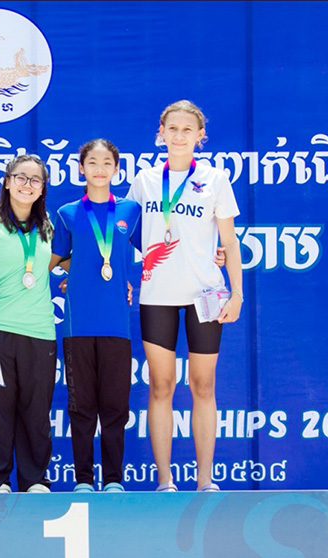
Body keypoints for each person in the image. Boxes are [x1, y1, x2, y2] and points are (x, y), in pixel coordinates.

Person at [125, 100, 244, 493]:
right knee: (161, 386)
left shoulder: (215, 179)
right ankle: (164, 480)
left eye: (187, 130)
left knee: (203, 386)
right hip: (156, 295)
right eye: (171, 128)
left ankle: (205, 480)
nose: (179, 136)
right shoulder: (143, 181)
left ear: (200, 137)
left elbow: (229, 240)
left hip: (205, 295)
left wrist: (237, 293)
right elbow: (124, 234)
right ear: (160, 132)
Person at [50, 139, 142, 493]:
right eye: (92, 162)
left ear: (116, 169)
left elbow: (154, 250)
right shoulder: (68, 213)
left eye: (107, 162)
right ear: (81, 168)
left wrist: (125, 278)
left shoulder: (130, 211)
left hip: (117, 324)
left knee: (116, 407)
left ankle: (115, 479)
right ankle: (84, 479)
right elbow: (55, 260)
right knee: (82, 407)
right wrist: (75, 273)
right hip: (78, 326)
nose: (99, 168)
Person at [0, 154, 56, 494]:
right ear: (7, 181)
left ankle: (34, 479)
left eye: (35, 180)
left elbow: (68, 261)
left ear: (42, 188)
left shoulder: (47, 228)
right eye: (21, 177)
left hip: (40, 333)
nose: (27, 185)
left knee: (37, 412)